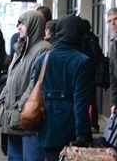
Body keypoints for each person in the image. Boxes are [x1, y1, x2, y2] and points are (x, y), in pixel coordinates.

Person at [34, 15, 93, 160]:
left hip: (46, 124)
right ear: (80, 34)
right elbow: (81, 101)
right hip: (70, 126)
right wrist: (82, 135)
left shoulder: (43, 59)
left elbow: (36, 93)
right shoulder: (83, 62)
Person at [0, 10, 50, 161]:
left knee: (30, 157)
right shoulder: (20, 49)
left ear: (33, 26)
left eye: (23, 24)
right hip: (13, 115)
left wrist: (20, 106)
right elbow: (12, 77)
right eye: (18, 24)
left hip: (27, 116)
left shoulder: (43, 49)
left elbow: (36, 83)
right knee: (14, 157)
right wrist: (4, 97)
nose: (19, 27)